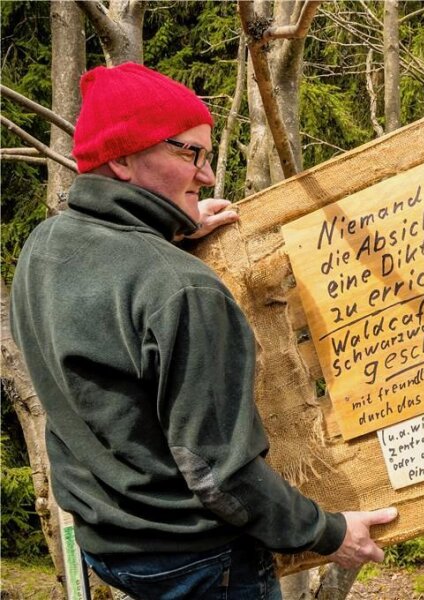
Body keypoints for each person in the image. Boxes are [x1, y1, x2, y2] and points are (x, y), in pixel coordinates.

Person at [10, 63, 396, 600]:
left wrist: (170, 233)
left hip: (111, 547)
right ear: (122, 157)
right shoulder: (182, 290)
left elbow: (114, 325)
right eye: (187, 153)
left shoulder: (46, 246)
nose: (208, 175)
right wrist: (328, 533)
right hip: (200, 562)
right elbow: (220, 473)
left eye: (205, 155)